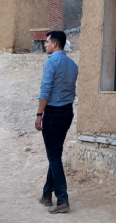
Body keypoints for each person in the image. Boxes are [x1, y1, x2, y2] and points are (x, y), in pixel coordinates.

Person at [36, 30, 79, 214]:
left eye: (47, 42)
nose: (45, 45)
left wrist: (39, 114)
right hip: (67, 112)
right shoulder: (73, 64)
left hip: (53, 113)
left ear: (55, 44)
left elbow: (45, 90)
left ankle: (62, 199)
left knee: (54, 156)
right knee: (55, 153)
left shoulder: (51, 62)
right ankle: (47, 194)